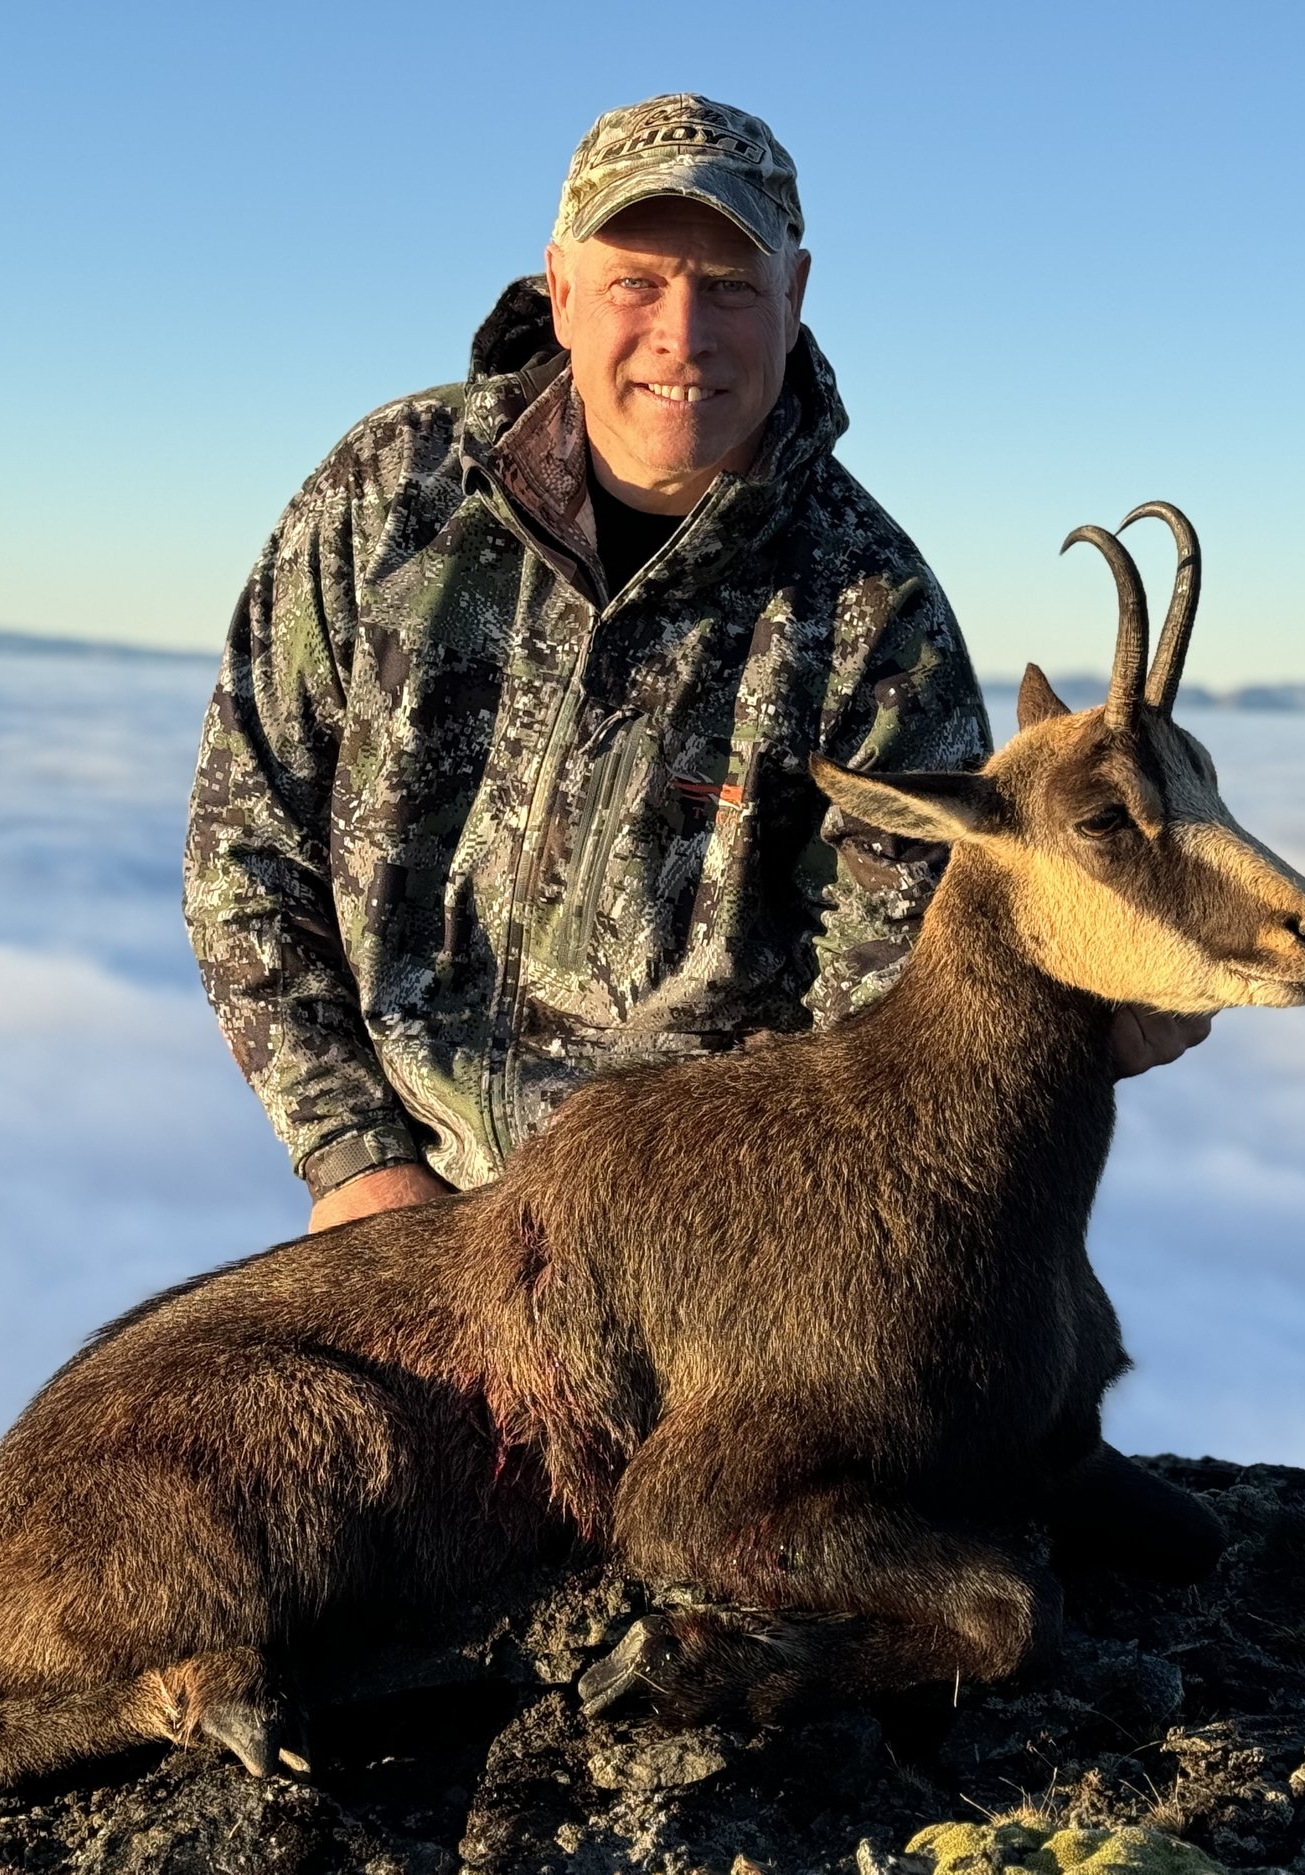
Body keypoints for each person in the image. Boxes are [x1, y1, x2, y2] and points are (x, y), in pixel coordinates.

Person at [185, 94, 1209, 1234]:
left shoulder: (873, 615)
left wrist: (1082, 1014)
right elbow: (248, 840)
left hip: (691, 1251)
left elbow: (888, 1013)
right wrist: (352, 1158)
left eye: (728, 284)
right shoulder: (388, 497)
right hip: (393, 1216)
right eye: (636, 281)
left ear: (796, 297)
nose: (682, 333)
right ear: (560, 289)